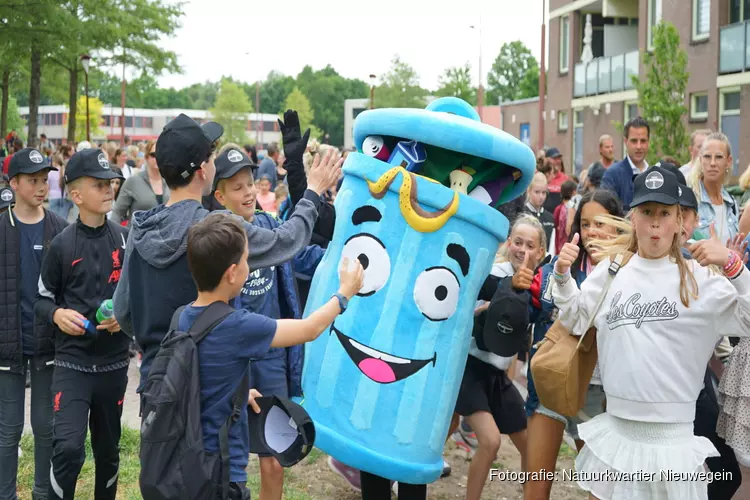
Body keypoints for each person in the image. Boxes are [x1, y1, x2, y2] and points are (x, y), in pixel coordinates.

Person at [553, 165, 750, 499]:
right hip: (617, 433)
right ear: (633, 218)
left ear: (679, 220)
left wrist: (732, 264)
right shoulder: (610, 272)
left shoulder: (700, 280)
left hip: (675, 442)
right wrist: (562, 276)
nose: (655, 222)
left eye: (664, 212)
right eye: (646, 212)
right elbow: (575, 318)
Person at [112, 112, 341, 399]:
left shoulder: (140, 227)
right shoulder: (215, 227)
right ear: (202, 172)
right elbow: (286, 242)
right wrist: (313, 191)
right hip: (206, 381)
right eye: (210, 157)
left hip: (157, 383)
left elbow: (123, 313)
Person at [178, 213, 363, 500]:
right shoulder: (239, 324)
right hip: (224, 469)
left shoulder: (183, 316)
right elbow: (309, 329)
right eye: (247, 261)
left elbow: (201, 377)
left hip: (187, 459)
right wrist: (344, 293)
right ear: (231, 273)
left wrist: (236, 391)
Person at [210, 148, 324, 500]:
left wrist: (346, 256)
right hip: (235, 361)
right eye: (236, 187)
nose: (246, 193)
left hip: (272, 357)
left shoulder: (270, 225)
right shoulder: (216, 238)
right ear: (219, 196)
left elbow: (303, 256)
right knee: (230, 459)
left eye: (249, 184)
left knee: (275, 458)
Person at [35, 148, 129, 500]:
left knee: (108, 451)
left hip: (114, 363)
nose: (109, 188)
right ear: (75, 195)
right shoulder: (60, 245)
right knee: (69, 449)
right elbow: (41, 300)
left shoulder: (124, 238)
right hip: (72, 363)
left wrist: (124, 318)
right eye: (99, 184)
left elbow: (136, 298)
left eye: (111, 182)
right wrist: (57, 314)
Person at [455, 215, 545, 500]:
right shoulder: (493, 275)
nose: (522, 250)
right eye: (517, 242)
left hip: (497, 377)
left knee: (531, 446)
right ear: (508, 243)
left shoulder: (538, 286)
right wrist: (495, 299)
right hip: (470, 369)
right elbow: (476, 302)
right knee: (491, 441)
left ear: (541, 252)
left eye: (530, 245)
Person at [0, 149, 67, 500]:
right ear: (13, 184)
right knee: (8, 430)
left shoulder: (60, 228)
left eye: (45, 180)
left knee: (46, 427)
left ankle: (44, 493)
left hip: (47, 345)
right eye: (33, 181)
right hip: (7, 348)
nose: (42, 187)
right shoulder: (1, 226)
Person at [692, 133, 739, 244]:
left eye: (718, 157)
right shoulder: (691, 201)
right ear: (700, 160)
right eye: (707, 156)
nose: (712, 163)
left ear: (729, 161)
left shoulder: (731, 204)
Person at [111, 141, 170, 225]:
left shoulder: (170, 182)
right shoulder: (133, 181)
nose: (157, 158)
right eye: (153, 155)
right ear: (146, 157)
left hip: (165, 235)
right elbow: (117, 212)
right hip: (138, 235)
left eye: (161, 154)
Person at [600, 116, 650, 211]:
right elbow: (608, 213)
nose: (639, 146)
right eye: (634, 141)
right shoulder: (612, 175)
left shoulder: (655, 175)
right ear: (625, 141)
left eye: (643, 141)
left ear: (648, 142)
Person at [523, 172, 555, 254]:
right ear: (529, 191)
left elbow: (552, 245)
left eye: (543, 192)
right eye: (537, 192)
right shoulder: (523, 214)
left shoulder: (550, 217)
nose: (541, 197)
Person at [553, 180, 578, 255]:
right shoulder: (574, 209)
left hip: (559, 247)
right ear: (574, 192)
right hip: (571, 246)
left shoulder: (558, 208)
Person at [542, 147, 569, 213]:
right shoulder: (540, 177)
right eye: (554, 158)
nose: (558, 161)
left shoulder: (565, 179)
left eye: (559, 158)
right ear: (546, 160)